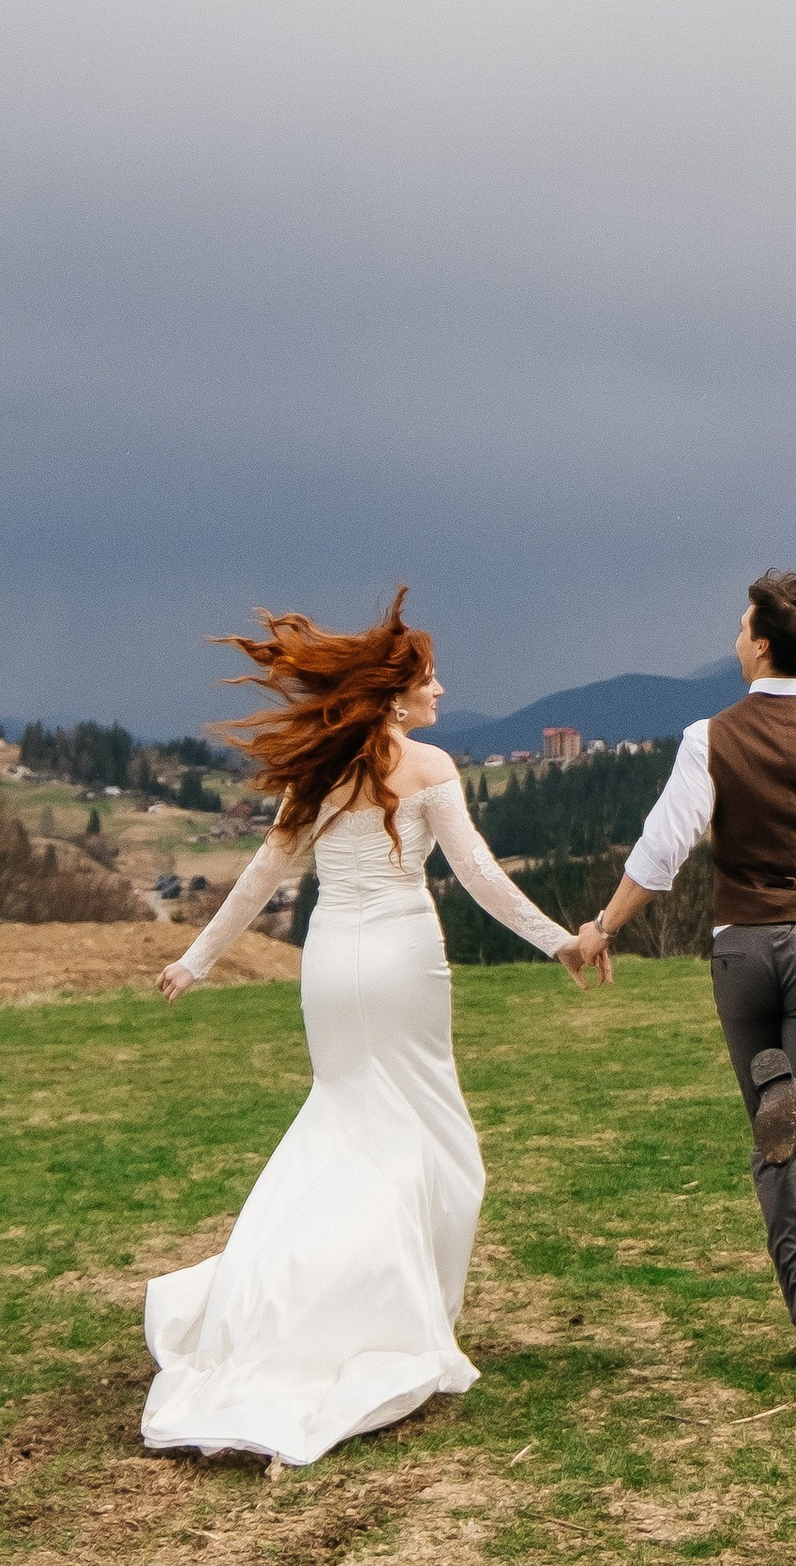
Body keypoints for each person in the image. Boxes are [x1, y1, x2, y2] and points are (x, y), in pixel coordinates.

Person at [146, 587, 599, 1467]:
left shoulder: (322, 775)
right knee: (438, 1147)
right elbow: (481, 881)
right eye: (430, 678)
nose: (441, 689)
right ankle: (389, 1319)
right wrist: (558, 943)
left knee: (345, 1122)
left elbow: (258, 877)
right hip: (399, 958)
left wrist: (197, 960)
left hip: (329, 964)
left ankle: (294, 1304)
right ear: (396, 692)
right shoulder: (427, 769)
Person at [573, 570, 796, 1366]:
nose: (733, 639)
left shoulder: (707, 737)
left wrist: (603, 926)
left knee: (772, 1136)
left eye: (739, 626)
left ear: (759, 643)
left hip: (741, 951)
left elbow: (661, 852)